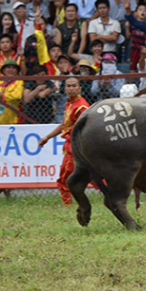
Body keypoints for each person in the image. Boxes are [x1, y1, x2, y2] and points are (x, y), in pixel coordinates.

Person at [38, 77, 90, 205]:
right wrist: (47, 137)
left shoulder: (81, 107)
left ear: (80, 88)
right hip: (72, 147)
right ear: (65, 88)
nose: (71, 89)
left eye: (74, 86)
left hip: (75, 148)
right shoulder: (70, 103)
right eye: (69, 86)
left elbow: (86, 128)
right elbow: (65, 124)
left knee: (64, 180)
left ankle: (67, 205)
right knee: (93, 178)